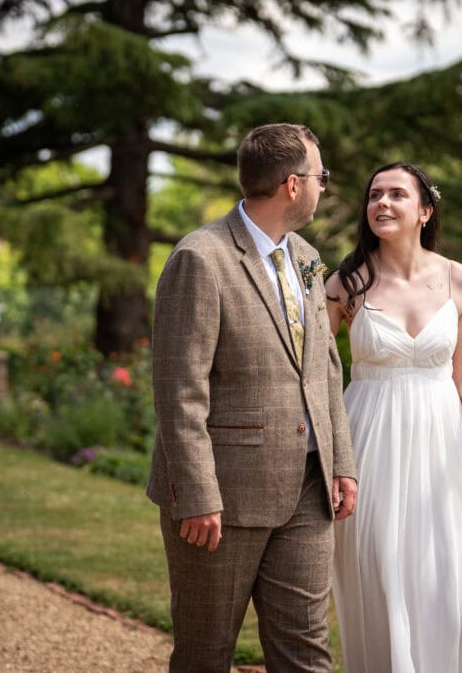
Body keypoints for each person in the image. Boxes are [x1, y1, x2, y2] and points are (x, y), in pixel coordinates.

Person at [147, 123, 358, 673]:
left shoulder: (306, 256)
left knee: (307, 654)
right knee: (205, 653)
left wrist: (341, 462)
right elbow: (178, 389)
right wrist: (196, 492)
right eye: (320, 177)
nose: (324, 188)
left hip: (309, 493)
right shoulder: (201, 258)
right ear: (293, 185)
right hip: (222, 499)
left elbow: (325, 369)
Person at [326, 162, 462, 672]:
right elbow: (313, 367)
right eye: (375, 195)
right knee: (385, 585)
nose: (382, 203)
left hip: (442, 449)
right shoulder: (346, 281)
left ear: (424, 211)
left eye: (397, 194)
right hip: (369, 442)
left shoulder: (459, 279)